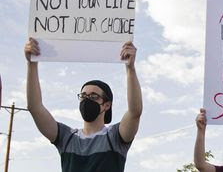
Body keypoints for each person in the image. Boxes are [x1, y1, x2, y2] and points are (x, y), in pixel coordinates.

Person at [25, 38, 143, 172]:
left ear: (107, 105)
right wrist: (32, 64)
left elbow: (135, 112)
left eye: (93, 96)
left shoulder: (115, 137)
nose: (87, 100)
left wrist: (130, 68)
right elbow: (35, 107)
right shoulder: (66, 137)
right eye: (83, 96)